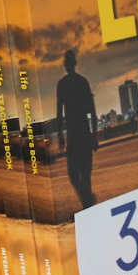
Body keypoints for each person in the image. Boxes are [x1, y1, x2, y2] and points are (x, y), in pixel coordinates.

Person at [56, 49, 99, 209]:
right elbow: (92, 111)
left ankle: (87, 203)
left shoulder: (62, 84)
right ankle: (88, 202)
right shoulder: (83, 82)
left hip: (74, 135)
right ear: (75, 63)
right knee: (85, 175)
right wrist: (94, 135)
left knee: (74, 174)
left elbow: (59, 112)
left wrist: (60, 135)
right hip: (84, 133)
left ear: (66, 65)